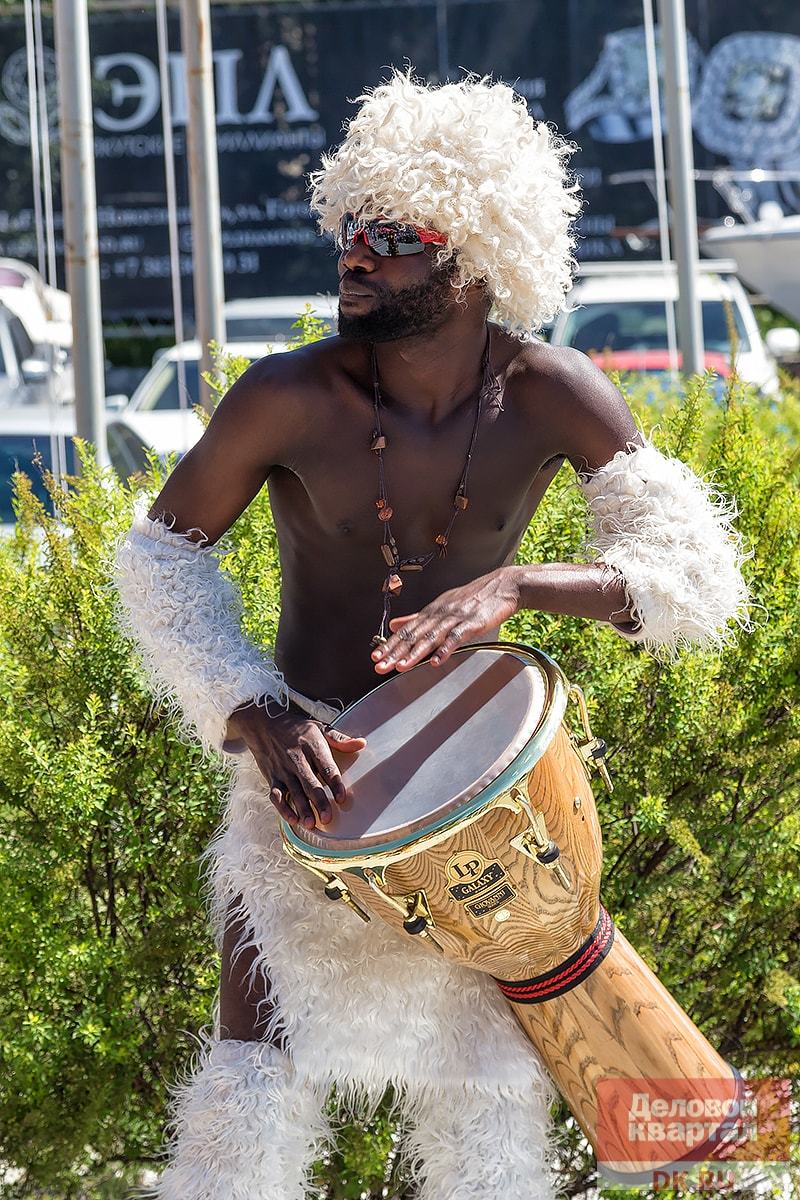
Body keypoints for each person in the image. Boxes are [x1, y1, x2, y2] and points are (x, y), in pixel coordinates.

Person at [115, 71, 749, 1200]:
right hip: (311, 774)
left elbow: (691, 573)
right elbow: (159, 557)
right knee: (256, 1069)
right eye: (348, 227)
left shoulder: (552, 391)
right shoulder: (285, 395)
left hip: (491, 788)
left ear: (476, 256)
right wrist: (252, 711)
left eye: (393, 236)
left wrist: (519, 583)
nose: (353, 253)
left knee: (491, 1091)